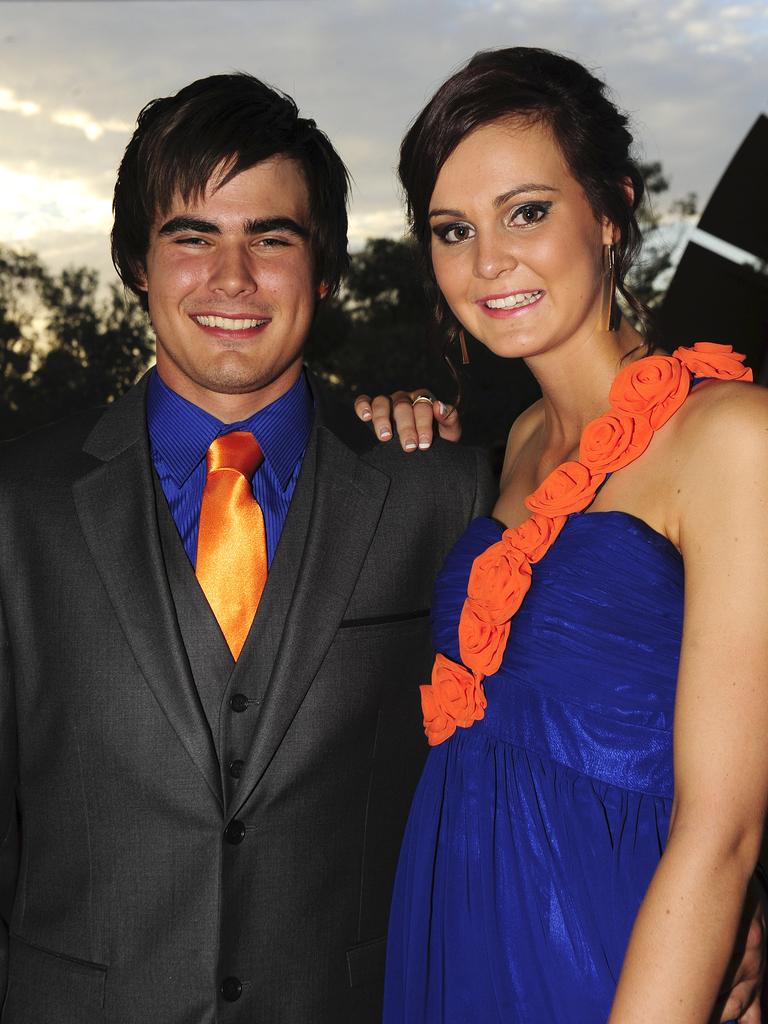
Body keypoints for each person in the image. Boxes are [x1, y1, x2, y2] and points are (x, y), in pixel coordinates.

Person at [0, 73, 496, 1024]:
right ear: (137, 262)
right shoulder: (20, 507)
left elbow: (525, 763)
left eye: (272, 237)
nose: (232, 278)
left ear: (324, 270)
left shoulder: (441, 490)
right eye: (192, 236)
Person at [354, 47, 768, 1023]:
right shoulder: (514, 445)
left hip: (610, 950)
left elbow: (726, 830)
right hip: (451, 927)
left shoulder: (733, 438)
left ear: (612, 211)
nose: (487, 261)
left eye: (526, 211)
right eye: (453, 229)